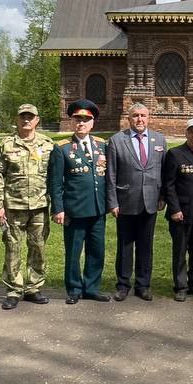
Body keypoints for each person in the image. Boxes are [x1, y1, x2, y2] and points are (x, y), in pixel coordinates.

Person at [0, 103, 54, 309]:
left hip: (39, 206)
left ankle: (34, 288)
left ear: (37, 120)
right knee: (13, 248)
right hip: (13, 206)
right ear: (17, 119)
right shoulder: (6, 144)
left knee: (38, 248)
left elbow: (54, 176)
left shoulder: (48, 144)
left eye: (30, 117)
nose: (26, 120)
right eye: (23, 117)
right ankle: (14, 290)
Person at [47, 98, 110, 304]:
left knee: (97, 251)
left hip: (98, 208)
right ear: (72, 121)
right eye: (77, 119)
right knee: (74, 252)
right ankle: (74, 289)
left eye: (85, 120)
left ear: (92, 123)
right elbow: (55, 182)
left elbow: (106, 176)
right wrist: (58, 209)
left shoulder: (102, 145)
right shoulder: (62, 148)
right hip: (74, 210)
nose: (81, 123)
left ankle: (91, 288)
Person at [106, 102, 166, 301]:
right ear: (129, 118)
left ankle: (143, 285)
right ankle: (123, 285)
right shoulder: (116, 140)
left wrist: (162, 197)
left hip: (150, 201)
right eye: (135, 116)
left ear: (149, 118)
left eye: (143, 115)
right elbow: (111, 174)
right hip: (126, 201)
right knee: (125, 245)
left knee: (145, 245)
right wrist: (113, 202)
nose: (140, 119)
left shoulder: (159, 139)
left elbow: (163, 171)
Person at [161, 117, 193, 301]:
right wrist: (174, 209)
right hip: (181, 212)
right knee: (180, 251)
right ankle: (181, 286)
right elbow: (169, 184)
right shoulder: (175, 154)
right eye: (191, 132)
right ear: (186, 133)